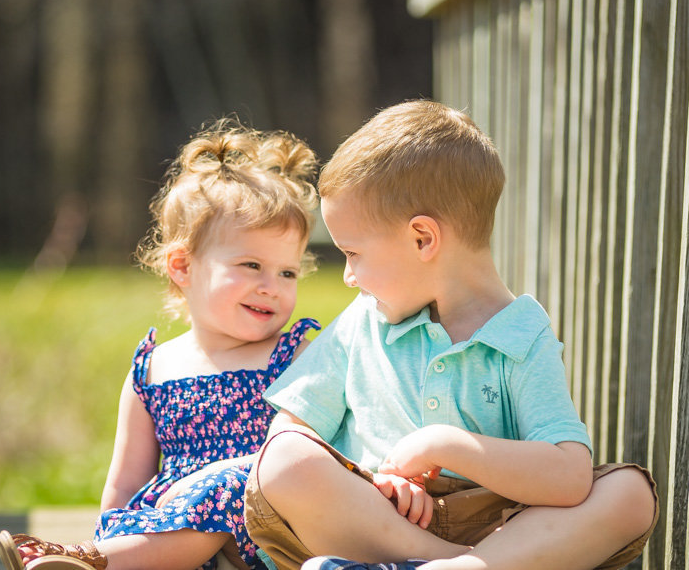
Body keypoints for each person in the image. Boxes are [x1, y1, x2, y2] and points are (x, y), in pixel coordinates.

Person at [242, 100, 659, 570]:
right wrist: (374, 483)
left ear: (423, 238)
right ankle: (459, 564)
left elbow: (569, 477)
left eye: (353, 253)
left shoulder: (521, 338)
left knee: (631, 493)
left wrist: (448, 444)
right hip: (380, 523)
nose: (349, 276)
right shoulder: (364, 322)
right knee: (283, 461)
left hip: (503, 526)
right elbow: (291, 431)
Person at [0, 118, 322, 570]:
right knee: (137, 524)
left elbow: (310, 458)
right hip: (170, 538)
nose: (273, 286)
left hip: (267, 532)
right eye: (251, 265)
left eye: (287, 272)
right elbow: (125, 483)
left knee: (228, 481)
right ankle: (99, 559)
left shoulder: (294, 357)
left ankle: (97, 563)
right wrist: (108, 531)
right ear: (183, 267)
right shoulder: (153, 370)